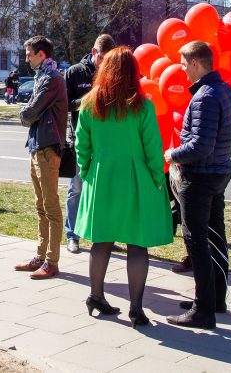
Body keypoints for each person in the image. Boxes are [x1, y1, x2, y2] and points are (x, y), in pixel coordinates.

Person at [73, 46, 173, 327]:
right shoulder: (142, 105)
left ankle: (95, 295)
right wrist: (156, 177)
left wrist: (88, 171)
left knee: (101, 239)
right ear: (133, 72)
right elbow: (153, 147)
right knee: (137, 243)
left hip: (102, 176)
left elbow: (81, 145)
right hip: (135, 177)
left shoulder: (90, 103)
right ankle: (137, 308)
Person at [165, 41, 231, 329]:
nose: (181, 69)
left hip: (201, 177)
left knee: (197, 242)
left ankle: (203, 310)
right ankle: (215, 298)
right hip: (218, 174)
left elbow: (201, 146)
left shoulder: (204, 97)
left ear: (195, 63)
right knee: (215, 236)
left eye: (183, 64)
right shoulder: (225, 90)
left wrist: (172, 154)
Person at [15, 36, 68, 280]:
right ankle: (40, 255)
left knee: (51, 207)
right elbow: (29, 113)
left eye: (29, 54)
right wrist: (26, 115)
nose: (26, 58)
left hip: (48, 149)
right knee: (40, 206)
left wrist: (24, 114)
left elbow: (31, 111)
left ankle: (51, 260)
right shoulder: (42, 77)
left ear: (41, 55)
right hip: (36, 146)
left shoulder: (52, 79)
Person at [62, 34, 117, 254]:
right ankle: (72, 235)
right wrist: (88, 100)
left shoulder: (113, 72)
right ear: (94, 53)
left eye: (109, 60)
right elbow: (65, 104)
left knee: (105, 190)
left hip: (106, 142)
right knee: (76, 189)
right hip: (81, 140)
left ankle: (103, 236)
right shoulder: (75, 72)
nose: (106, 64)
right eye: (103, 58)